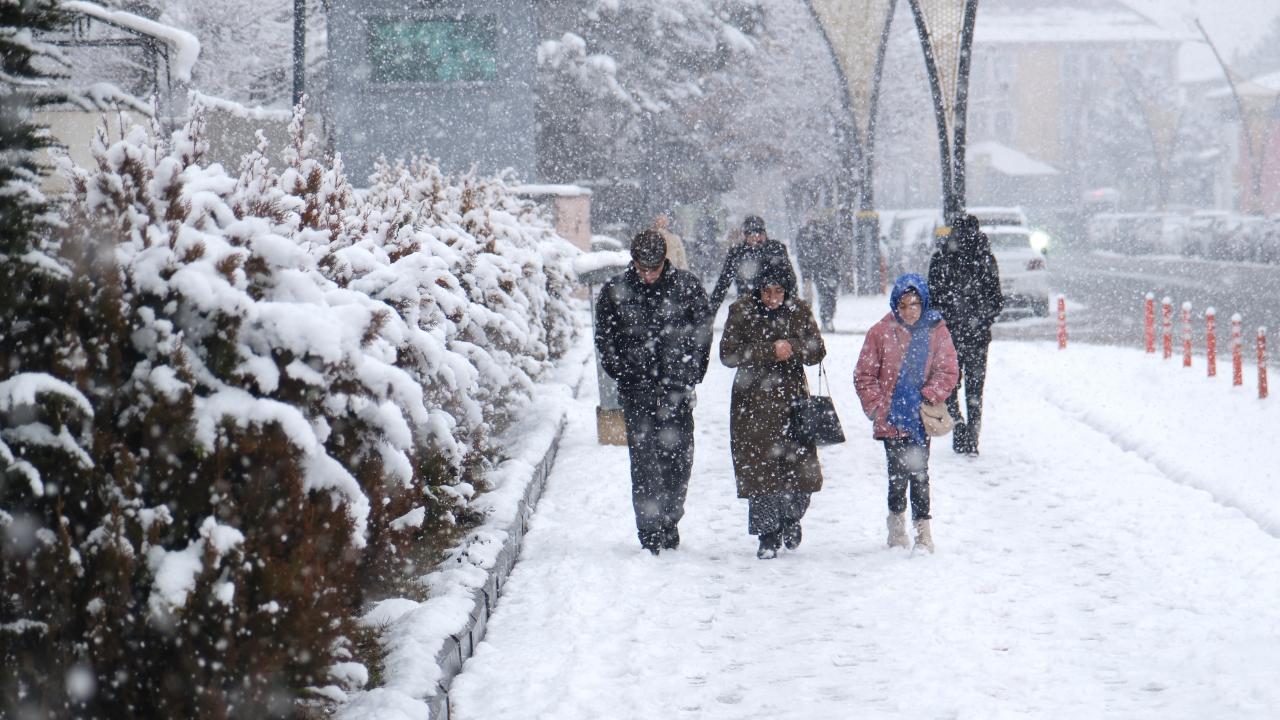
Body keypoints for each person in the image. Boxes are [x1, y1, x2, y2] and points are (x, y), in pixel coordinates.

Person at [594, 229, 712, 555]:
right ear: (633, 262)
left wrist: (691, 373)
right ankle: (649, 531)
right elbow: (605, 338)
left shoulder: (687, 288)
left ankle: (671, 518)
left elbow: (703, 332)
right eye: (642, 269)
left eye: (654, 269)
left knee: (678, 462)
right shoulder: (615, 291)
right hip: (637, 392)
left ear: (664, 262)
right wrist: (622, 371)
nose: (647, 276)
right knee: (644, 465)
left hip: (676, 390)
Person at [720, 262, 827, 559]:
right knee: (760, 472)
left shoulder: (799, 310)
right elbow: (728, 354)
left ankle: (791, 518)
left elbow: (817, 349)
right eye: (766, 291)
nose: (772, 298)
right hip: (752, 404)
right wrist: (768, 350)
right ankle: (767, 536)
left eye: (778, 291)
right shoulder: (742, 310)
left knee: (799, 471)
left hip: (793, 402)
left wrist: (792, 346)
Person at [854, 274, 959, 553]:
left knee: (920, 472)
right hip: (891, 417)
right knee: (896, 473)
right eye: (903, 304)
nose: (910, 310)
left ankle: (923, 533)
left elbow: (948, 370)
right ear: (895, 305)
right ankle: (896, 523)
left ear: (923, 302)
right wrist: (878, 407)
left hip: (920, 417)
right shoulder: (880, 332)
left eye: (915, 303)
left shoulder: (937, 329)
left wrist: (928, 396)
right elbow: (864, 374)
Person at [927, 214, 1003, 455]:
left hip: (949, 335)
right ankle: (973, 433)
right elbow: (996, 300)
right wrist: (981, 319)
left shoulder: (941, 259)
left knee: (950, 382)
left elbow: (932, 299)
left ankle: (958, 422)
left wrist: (945, 320)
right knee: (975, 386)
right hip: (978, 336)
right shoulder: (985, 259)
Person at [708, 215, 797, 316]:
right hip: (747, 307)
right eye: (752, 234)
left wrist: (791, 305)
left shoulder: (776, 249)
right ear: (745, 236)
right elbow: (723, 284)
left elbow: (790, 280)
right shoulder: (737, 253)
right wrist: (710, 313)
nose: (757, 237)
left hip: (774, 305)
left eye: (760, 233)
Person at [794, 211, 843, 334]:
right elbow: (801, 255)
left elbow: (837, 249)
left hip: (825, 269)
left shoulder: (812, 233)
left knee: (825, 296)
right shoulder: (825, 232)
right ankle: (821, 320)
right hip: (823, 269)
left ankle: (823, 320)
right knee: (825, 296)